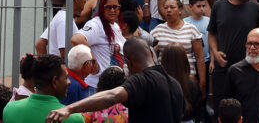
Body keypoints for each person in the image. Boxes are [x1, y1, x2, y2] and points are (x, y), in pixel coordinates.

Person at [44, 37, 185, 123]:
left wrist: (69, 108)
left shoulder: (142, 80)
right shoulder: (174, 84)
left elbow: (113, 95)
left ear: (128, 62)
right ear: (150, 54)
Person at [211, 0, 259, 100]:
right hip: (223, 68)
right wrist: (215, 52)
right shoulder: (218, 6)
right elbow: (212, 33)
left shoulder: (256, 8)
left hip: (249, 68)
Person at [71, 0, 127, 88]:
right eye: (108, 7)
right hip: (96, 86)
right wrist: (93, 61)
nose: (112, 10)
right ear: (101, 8)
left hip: (113, 85)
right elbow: (76, 39)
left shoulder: (115, 26)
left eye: (115, 7)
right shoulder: (96, 24)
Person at [151, 0, 206, 91]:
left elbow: (200, 57)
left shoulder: (191, 29)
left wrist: (202, 82)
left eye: (172, 7)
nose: (168, 10)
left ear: (180, 10)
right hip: (164, 78)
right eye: (166, 8)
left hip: (187, 77)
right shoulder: (158, 30)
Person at [223, 28, 259, 123]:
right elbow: (228, 105)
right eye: (249, 43)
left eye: (257, 44)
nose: (252, 47)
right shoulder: (234, 71)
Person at [6, 54, 79, 123]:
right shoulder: (74, 118)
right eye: (66, 78)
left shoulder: (9, 109)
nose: (69, 82)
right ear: (54, 82)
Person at [158, 45, 205, 123]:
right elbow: (198, 111)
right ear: (185, 60)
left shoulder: (158, 84)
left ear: (163, 61)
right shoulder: (193, 84)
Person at [184, 0, 212, 69]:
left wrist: (212, 61)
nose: (202, 9)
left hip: (206, 60)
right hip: (189, 61)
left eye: (203, 6)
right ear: (190, 6)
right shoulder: (184, 22)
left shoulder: (209, 21)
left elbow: (212, 43)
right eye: (198, 6)